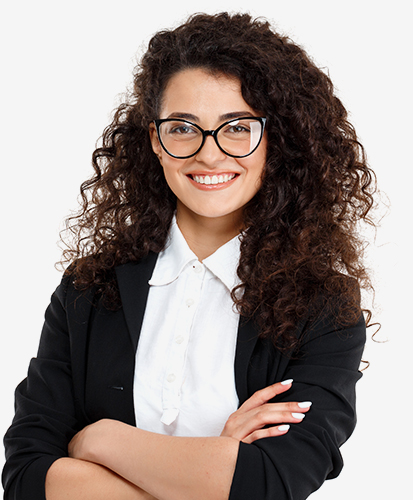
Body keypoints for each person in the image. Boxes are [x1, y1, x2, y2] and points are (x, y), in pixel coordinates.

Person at [2, 12, 376, 500]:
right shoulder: (89, 289)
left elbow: (273, 483)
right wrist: (214, 464)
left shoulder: (323, 306)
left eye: (237, 127)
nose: (209, 154)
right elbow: (27, 478)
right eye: (182, 128)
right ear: (156, 141)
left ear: (274, 140)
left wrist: (98, 440)